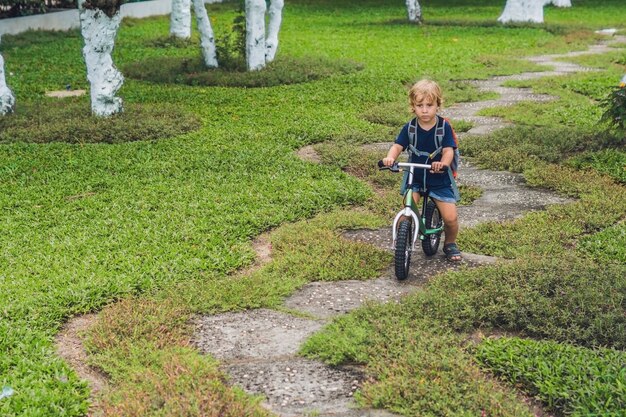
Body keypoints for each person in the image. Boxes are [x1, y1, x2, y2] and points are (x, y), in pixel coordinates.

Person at [382, 79, 462, 261]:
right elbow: (397, 146)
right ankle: (401, 244)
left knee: (450, 218)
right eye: (420, 105)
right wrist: (390, 158)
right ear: (413, 106)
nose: (424, 110)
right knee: (406, 212)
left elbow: (449, 150)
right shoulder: (409, 128)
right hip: (415, 177)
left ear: (438, 105)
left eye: (429, 105)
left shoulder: (444, 127)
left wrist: (442, 163)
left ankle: (450, 243)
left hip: (438, 179)